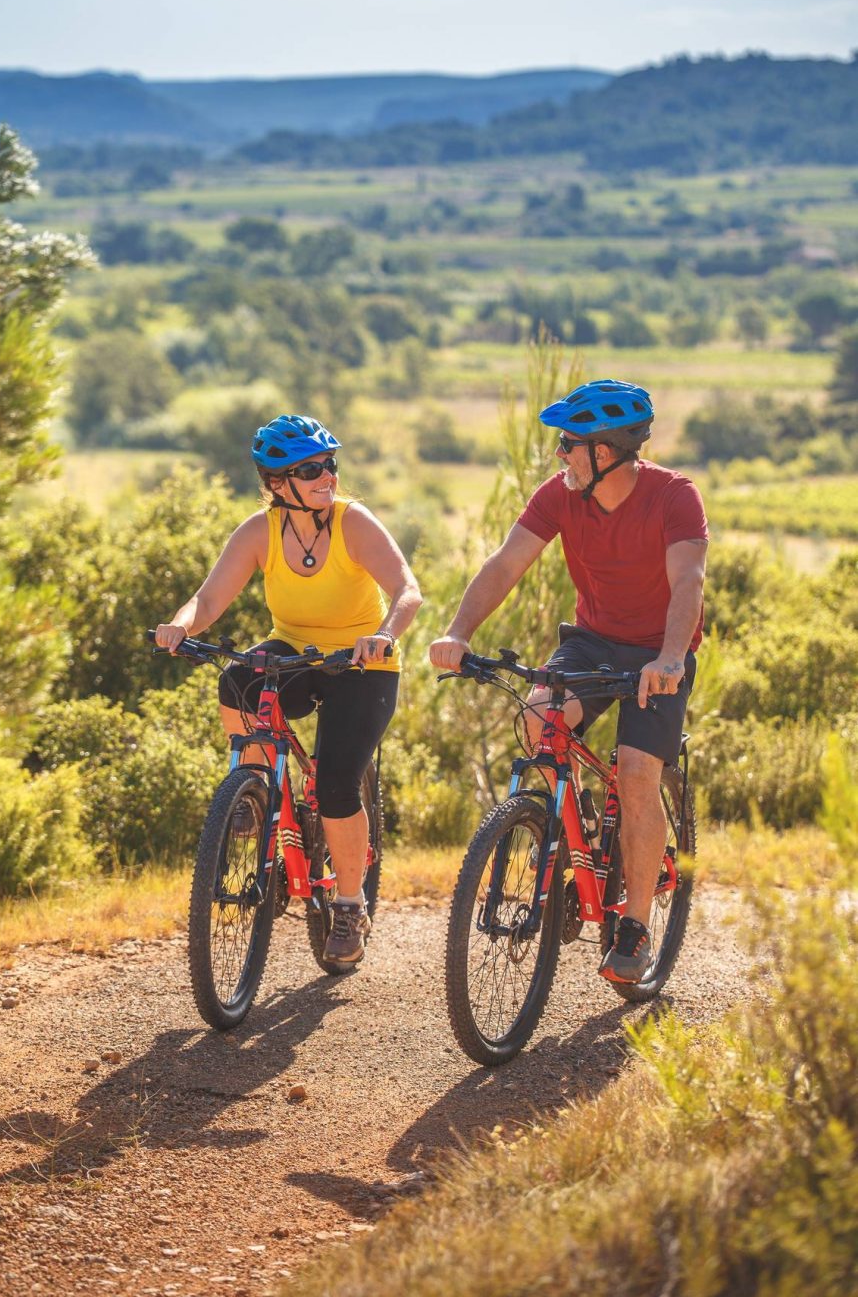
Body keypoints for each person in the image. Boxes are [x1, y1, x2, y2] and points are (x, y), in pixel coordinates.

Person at [429, 379, 708, 985]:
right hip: (592, 640)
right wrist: (458, 632)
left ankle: (632, 923)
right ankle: (568, 825)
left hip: (660, 650)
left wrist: (668, 658)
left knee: (637, 771)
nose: (560, 455)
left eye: (569, 444)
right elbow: (506, 562)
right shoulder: (560, 495)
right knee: (536, 719)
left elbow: (688, 582)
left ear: (606, 452)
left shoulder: (674, 496)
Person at [155, 414, 421, 966]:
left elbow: (406, 590)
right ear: (278, 482)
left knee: (335, 784)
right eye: (310, 469)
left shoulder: (354, 522)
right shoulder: (260, 531)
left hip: (361, 663)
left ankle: (349, 904)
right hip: (295, 650)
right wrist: (182, 625)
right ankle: (256, 792)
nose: (327, 475)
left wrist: (384, 635)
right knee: (237, 679)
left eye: (329, 464)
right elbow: (207, 600)